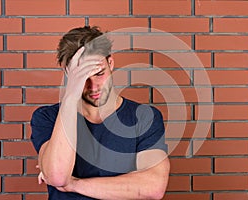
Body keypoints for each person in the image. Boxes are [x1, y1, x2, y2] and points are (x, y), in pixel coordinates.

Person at [30, 26, 170, 200]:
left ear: (110, 63)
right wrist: (71, 94)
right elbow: (57, 176)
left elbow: (153, 187)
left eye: (99, 73)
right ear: (68, 73)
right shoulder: (47, 118)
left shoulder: (144, 117)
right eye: (83, 78)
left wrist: (73, 184)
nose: (94, 87)